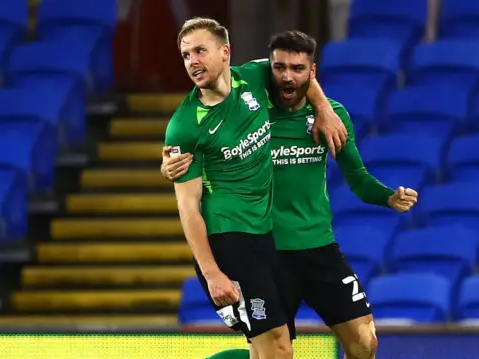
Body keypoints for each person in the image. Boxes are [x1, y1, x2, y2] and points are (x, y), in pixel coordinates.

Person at [163, 30, 419, 359]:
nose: (287, 76)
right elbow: (192, 160)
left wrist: (388, 197)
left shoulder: (331, 117)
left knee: (364, 342)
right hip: (264, 247)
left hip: (317, 246)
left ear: (312, 74)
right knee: (274, 350)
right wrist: (168, 165)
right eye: (279, 68)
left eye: (298, 70)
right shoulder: (248, 107)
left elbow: (357, 178)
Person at [166, 18, 347, 359]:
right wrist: (212, 273)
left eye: (200, 51)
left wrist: (323, 108)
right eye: (185, 54)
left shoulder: (252, 77)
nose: (192, 61)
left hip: (264, 236)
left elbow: (300, 73)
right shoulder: (185, 126)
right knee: (275, 348)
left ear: (225, 52)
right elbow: (188, 207)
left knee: (276, 350)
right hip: (228, 241)